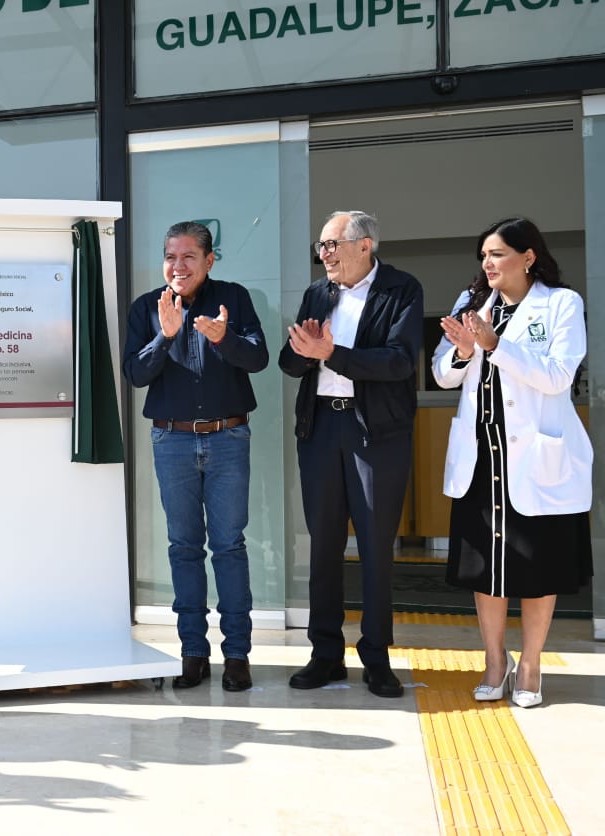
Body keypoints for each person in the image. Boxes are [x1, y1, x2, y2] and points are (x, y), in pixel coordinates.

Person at [432, 217, 592, 709]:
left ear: (528, 257)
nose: (488, 264)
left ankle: (531, 664)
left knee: (538, 565)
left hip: (536, 456)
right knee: (488, 568)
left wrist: (496, 346)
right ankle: (495, 661)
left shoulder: (561, 303)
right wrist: (461, 354)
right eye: (484, 255)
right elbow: (442, 376)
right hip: (483, 457)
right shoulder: (472, 304)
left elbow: (559, 376)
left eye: (498, 254)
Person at [279, 210, 423, 698]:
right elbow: (290, 361)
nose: (324, 254)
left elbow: (400, 361)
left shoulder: (401, 289)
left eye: (332, 244)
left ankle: (377, 658)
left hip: (376, 433)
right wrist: (306, 351)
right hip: (320, 427)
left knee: (376, 546)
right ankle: (325, 655)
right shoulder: (319, 292)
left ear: (365, 246)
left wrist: (331, 354)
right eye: (321, 246)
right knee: (323, 545)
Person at [122, 221, 267, 691]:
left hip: (228, 438)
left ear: (209, 260)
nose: (177, 266)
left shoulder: (235, 298)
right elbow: (136, 374)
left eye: (188, 257)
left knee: (229, 546)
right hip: (173, 441)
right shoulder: (148, 307)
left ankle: (238, 655)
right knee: (183, 548)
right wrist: (164, 335)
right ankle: (192, 653)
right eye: (170, 256)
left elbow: (259, 358)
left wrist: (224, 337)